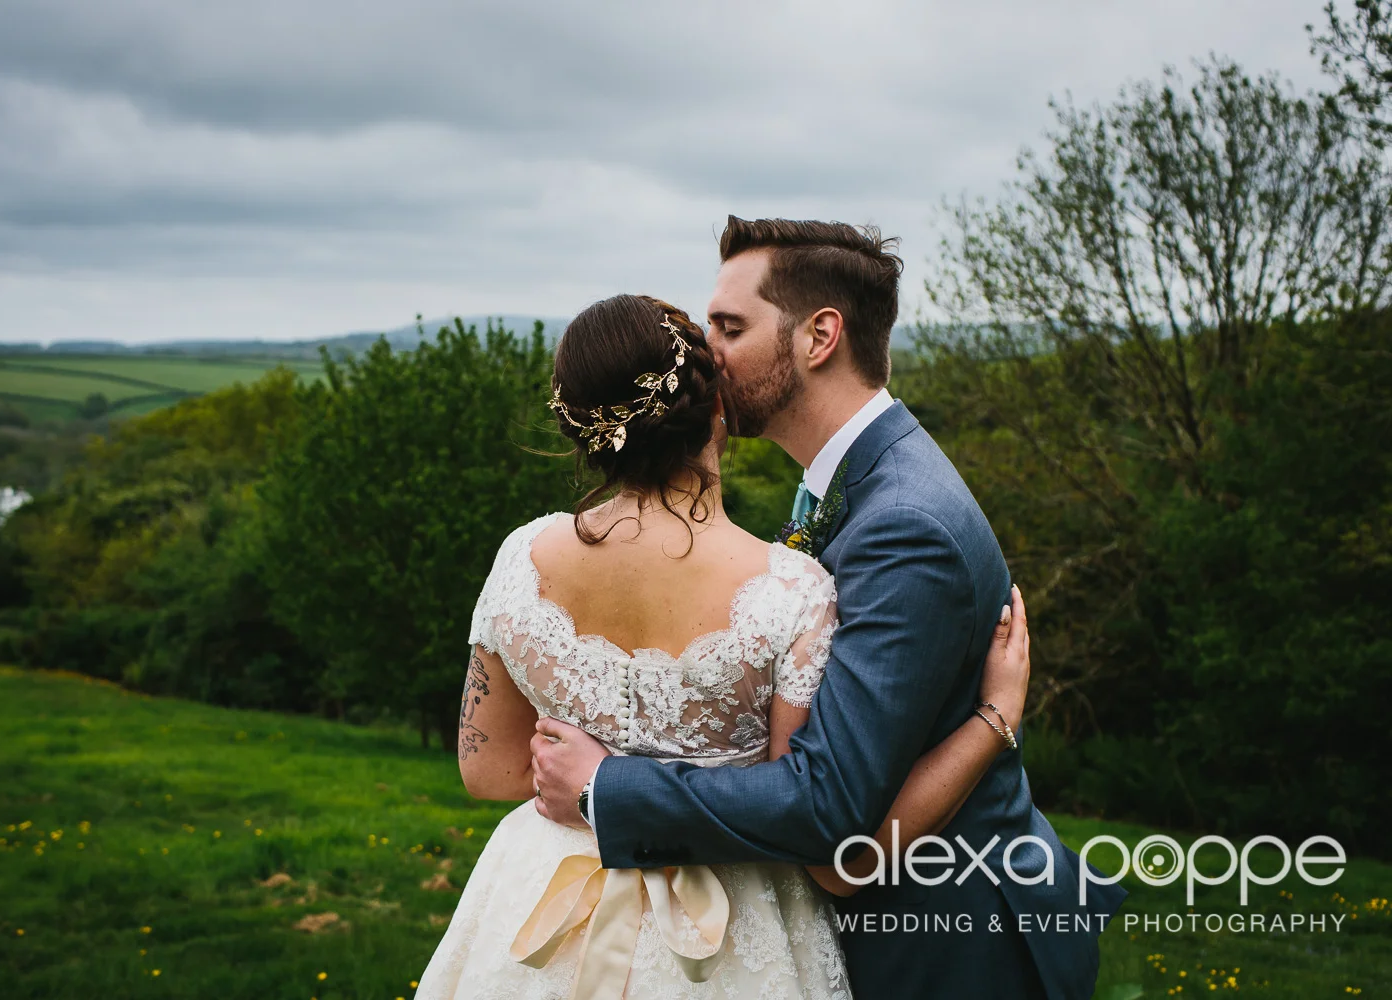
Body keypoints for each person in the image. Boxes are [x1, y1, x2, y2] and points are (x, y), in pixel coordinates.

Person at [530, 218, 1127, 999]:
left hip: (950, 949)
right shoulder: (852, 482)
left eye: (730, 327)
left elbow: (828, 804)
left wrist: (608, 785)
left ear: (819, 337)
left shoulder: (905, 526)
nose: (704, 353)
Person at [415, 291, 1033, 999]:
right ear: (716, 410)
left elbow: (487, 771)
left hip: (540, 895)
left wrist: (593, 781)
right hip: (734, 930)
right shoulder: (789, 592)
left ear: (580, 426)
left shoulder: (522, 558)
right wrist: (995, 718)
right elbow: (822, 838)